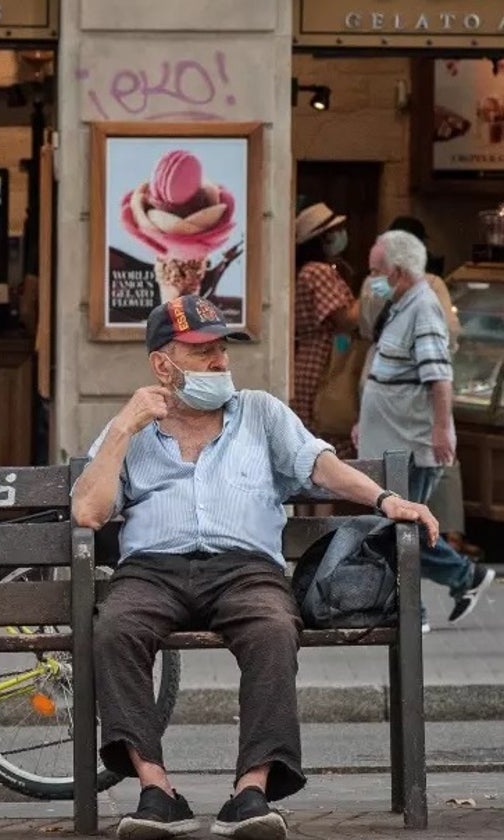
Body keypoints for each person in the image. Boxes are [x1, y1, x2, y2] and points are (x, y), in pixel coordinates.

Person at [71, 294, 439, 840]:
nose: (221, 362)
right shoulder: (130, 430)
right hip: (151, 570)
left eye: (222, 349)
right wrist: (124, 429)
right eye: (203, 352)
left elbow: (322, 466)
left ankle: (251, 791)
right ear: (162, 365)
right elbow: (87, 511)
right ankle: (157, 791)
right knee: (114, 629)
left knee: (272, 628)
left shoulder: (260, 413)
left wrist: (386, 500)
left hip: (246, 569)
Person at [354, 230, 495, 633]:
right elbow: (387, 373)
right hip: (392, 443)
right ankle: (461, 579)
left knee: (399, 532)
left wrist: (442, 429)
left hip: (412, 446)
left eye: (376, 272)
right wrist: (365, 418)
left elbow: (439, 377)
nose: (372, 279)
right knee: (397, 530)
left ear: (397, 273)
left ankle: (420, 608)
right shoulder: (399, 305)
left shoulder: (424, 309)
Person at [292, 202, 360, 456]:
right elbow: (344, 319)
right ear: (325, 238)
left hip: (310, 357)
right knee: (325, 427)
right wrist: (372, 291)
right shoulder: (318, 271)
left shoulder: (308, 270)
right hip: (323, 359)